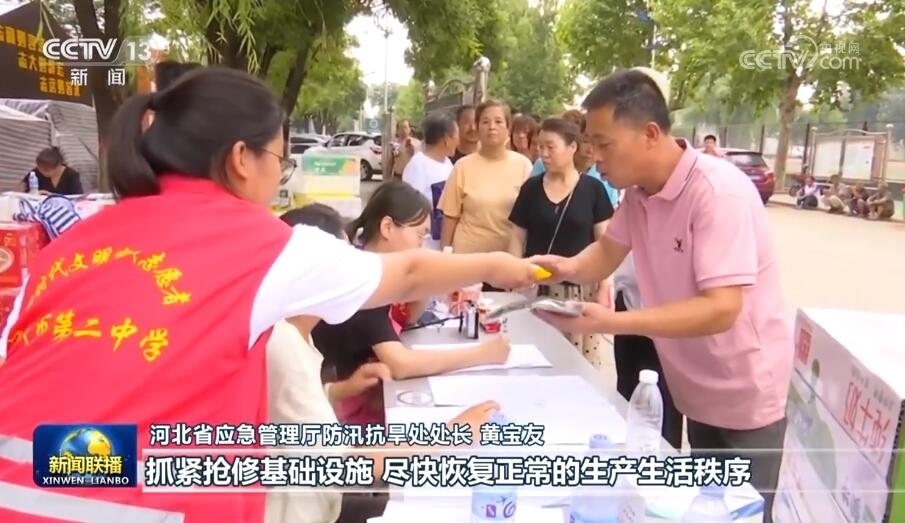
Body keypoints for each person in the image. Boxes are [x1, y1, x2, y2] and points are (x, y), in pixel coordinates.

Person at [0, 67, 541, 523]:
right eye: (280, 160)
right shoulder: (253, 242)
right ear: (242, 158)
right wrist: (501, 265)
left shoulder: (68, 248)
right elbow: (409, 272)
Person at [529, 67, 792, 522]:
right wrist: (563, 267)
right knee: (704, 509)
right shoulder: (639, 195)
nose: (594, 157)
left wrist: (611, 322)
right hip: (694, 387)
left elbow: (722, 308)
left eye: (604, 144)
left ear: (650, 133)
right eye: (590, 143)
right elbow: (606, 252)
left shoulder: (717, 193)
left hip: (744, 392)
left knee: (739, 512)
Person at [312, 182, 512, 425]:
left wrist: (425, 284)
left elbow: (408, 318)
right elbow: (401, 364)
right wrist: (484, 354)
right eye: (419, 235)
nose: (422, 246)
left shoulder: (374, 267)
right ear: (387, 227)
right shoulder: (364, 283)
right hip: (339, 414)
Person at [269, 204, 392, 523]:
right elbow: (344, 464)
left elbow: (286, 410)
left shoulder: (294, 330)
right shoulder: (283, 343)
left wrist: (339, 391)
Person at [508, 117, 613, 367]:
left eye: (550, 147)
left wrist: (605, 284)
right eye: (540, 147)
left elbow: (605, 243)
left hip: (580, 291)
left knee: (577, 363)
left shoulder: (593, 189)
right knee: (536, 358)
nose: (543, 154)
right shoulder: (531, 189)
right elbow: (517, 236)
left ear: (572, 147)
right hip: (538, 287)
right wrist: (513, 274)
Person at [439, 99, 534, 291]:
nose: (492, 127)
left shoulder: (523, 166)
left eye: (498, 121)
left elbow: (530, 218)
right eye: (485, 121)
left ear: (508, 128)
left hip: (507, 263)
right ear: (478, 127)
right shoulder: (462, 166)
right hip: (467, 262)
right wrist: (445, 256)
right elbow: (450, 216)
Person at [612, 254, 684, 449]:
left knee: (663, 415)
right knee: (627, 404)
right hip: (629, 301)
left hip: (671, 316)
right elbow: (607, 251)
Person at [402, 113, 459, 250]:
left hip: (443, 244)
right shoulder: (418, 165)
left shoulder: (448, 164)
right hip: (425, 246)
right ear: (446, 138)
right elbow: (410, 209)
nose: (458, 141)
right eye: (456, 136)